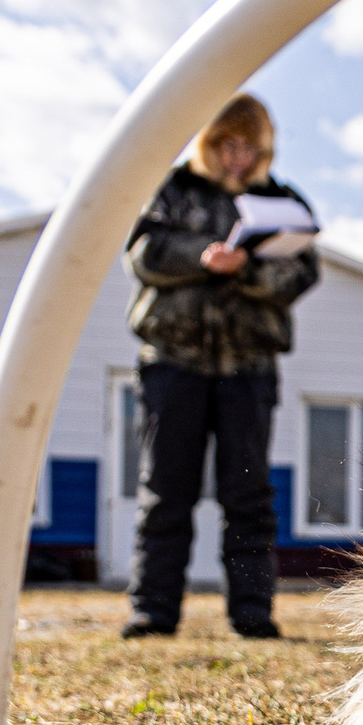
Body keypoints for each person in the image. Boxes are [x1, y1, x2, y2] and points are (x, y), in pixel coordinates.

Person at [120, 94, 321, 640]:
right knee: (166, 491)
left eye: (249, 148)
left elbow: (302, 275)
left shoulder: (283, 202)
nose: (238, 157)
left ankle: (253, 615)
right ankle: (153, 612)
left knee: (249, 495)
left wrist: (246, 269)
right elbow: (142, 253)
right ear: (209, 144)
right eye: (228, 145)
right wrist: (203, 258)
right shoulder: (172, 190)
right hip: (173, 364)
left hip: (249, 370)